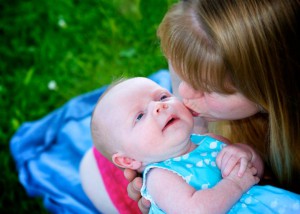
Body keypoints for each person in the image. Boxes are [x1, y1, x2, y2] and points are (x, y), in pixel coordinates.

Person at [125, 1, 300, 210]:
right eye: (181, 73)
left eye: (206, 87)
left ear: (273, 89)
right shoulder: (195, 41)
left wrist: (247, 165)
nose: (183, 93)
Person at [91, 77, 300, 214]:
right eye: (139, 116)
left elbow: (255, 173)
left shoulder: (211, 141)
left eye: (163, 96)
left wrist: (246, 154)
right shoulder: (159, 176)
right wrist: (235, 184)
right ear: (128, 160)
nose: (159, 106)